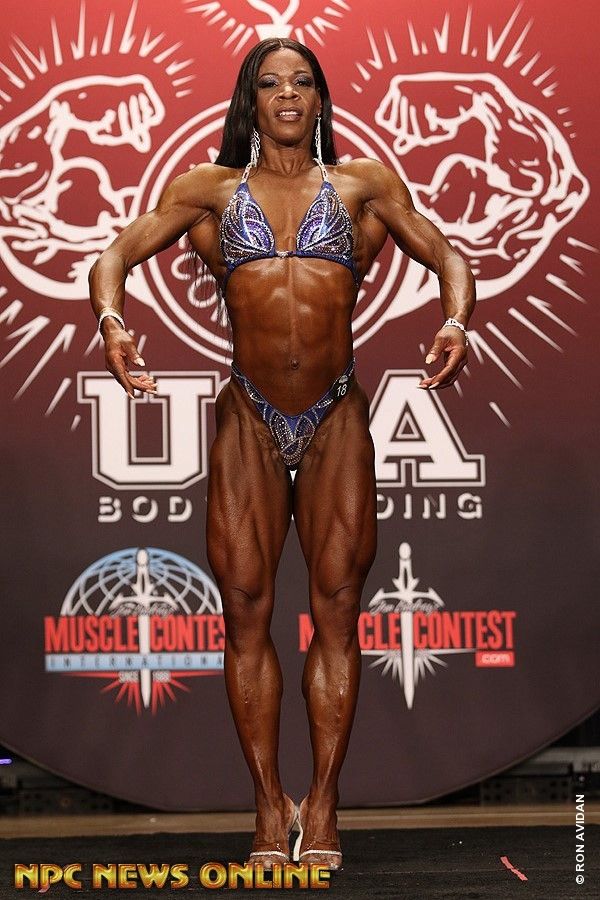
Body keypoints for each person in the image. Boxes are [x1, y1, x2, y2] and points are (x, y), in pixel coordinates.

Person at [88, 37, 475, 871]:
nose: (288, 94)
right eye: (271, 83)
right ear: (251, 101)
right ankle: (269, 802)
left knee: (337, 609)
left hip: (334, 415)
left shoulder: (363, 186)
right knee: (246, 613)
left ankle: (324, 801)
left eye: (302, 81)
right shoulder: (209, 191)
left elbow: (447, 253)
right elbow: (114, 255)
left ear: (320, 98)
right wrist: (114, 325)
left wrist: (454, 321)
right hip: (250, 420)